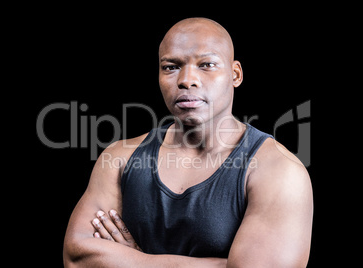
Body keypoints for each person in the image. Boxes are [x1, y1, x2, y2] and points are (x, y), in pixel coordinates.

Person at [63, 17, 313, 267]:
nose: (186, 80)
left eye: (207, 64)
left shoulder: (280, 171)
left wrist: (132, 260)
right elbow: (76, 258)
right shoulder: (120, 157)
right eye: (171, 67)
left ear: (235, 74)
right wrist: (221, 264)